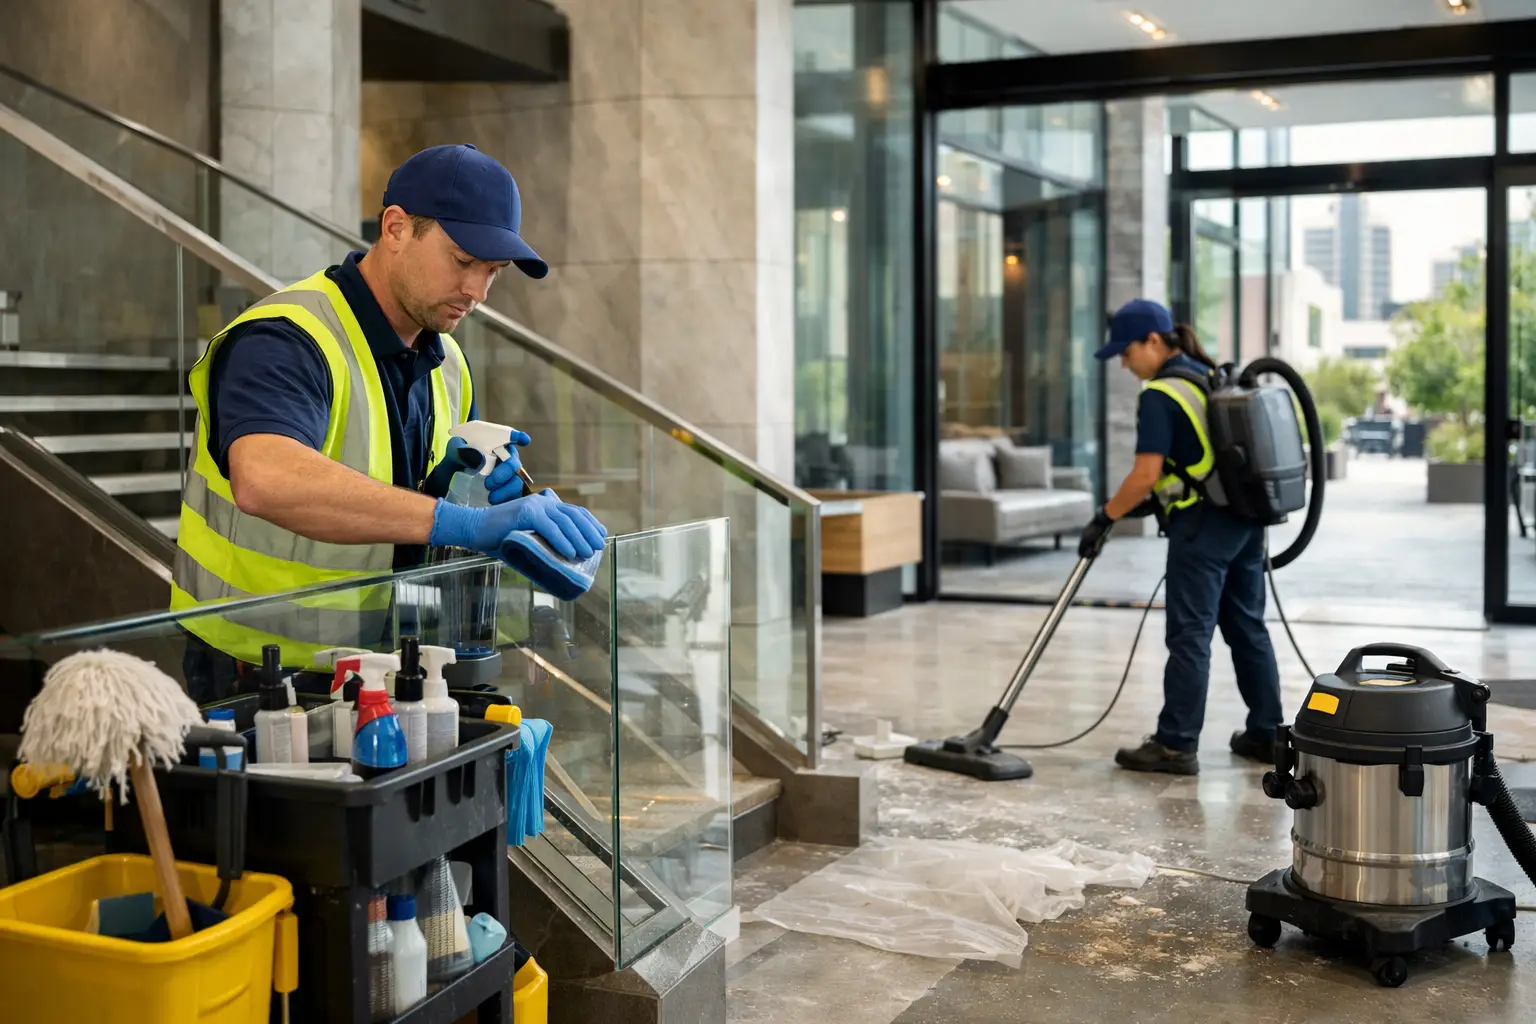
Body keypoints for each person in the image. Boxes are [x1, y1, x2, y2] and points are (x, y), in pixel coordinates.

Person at [172, 143, 605, 694]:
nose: (477, 292)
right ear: (396, 228)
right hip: (257, 676)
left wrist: (469, 489)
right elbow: (266, 480)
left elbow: (405, 508)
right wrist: (463, 523)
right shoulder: (286, 338)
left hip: (384, 670)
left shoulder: (449, 362)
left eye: (493, 272)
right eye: (463, 261)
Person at [1078, 298, 1282, 775]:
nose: (1125, 364)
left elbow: (1145, 474)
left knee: (1190, 635)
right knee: (1247, 627)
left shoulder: (1160, 394)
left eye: (1127, 352)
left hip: (1202, 528)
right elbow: (1195, 459)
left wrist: (1105, 516)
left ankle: (1175, 744)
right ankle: (1268, 733)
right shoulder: (1207, 376)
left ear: (1153, 341)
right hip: (1245, 520)